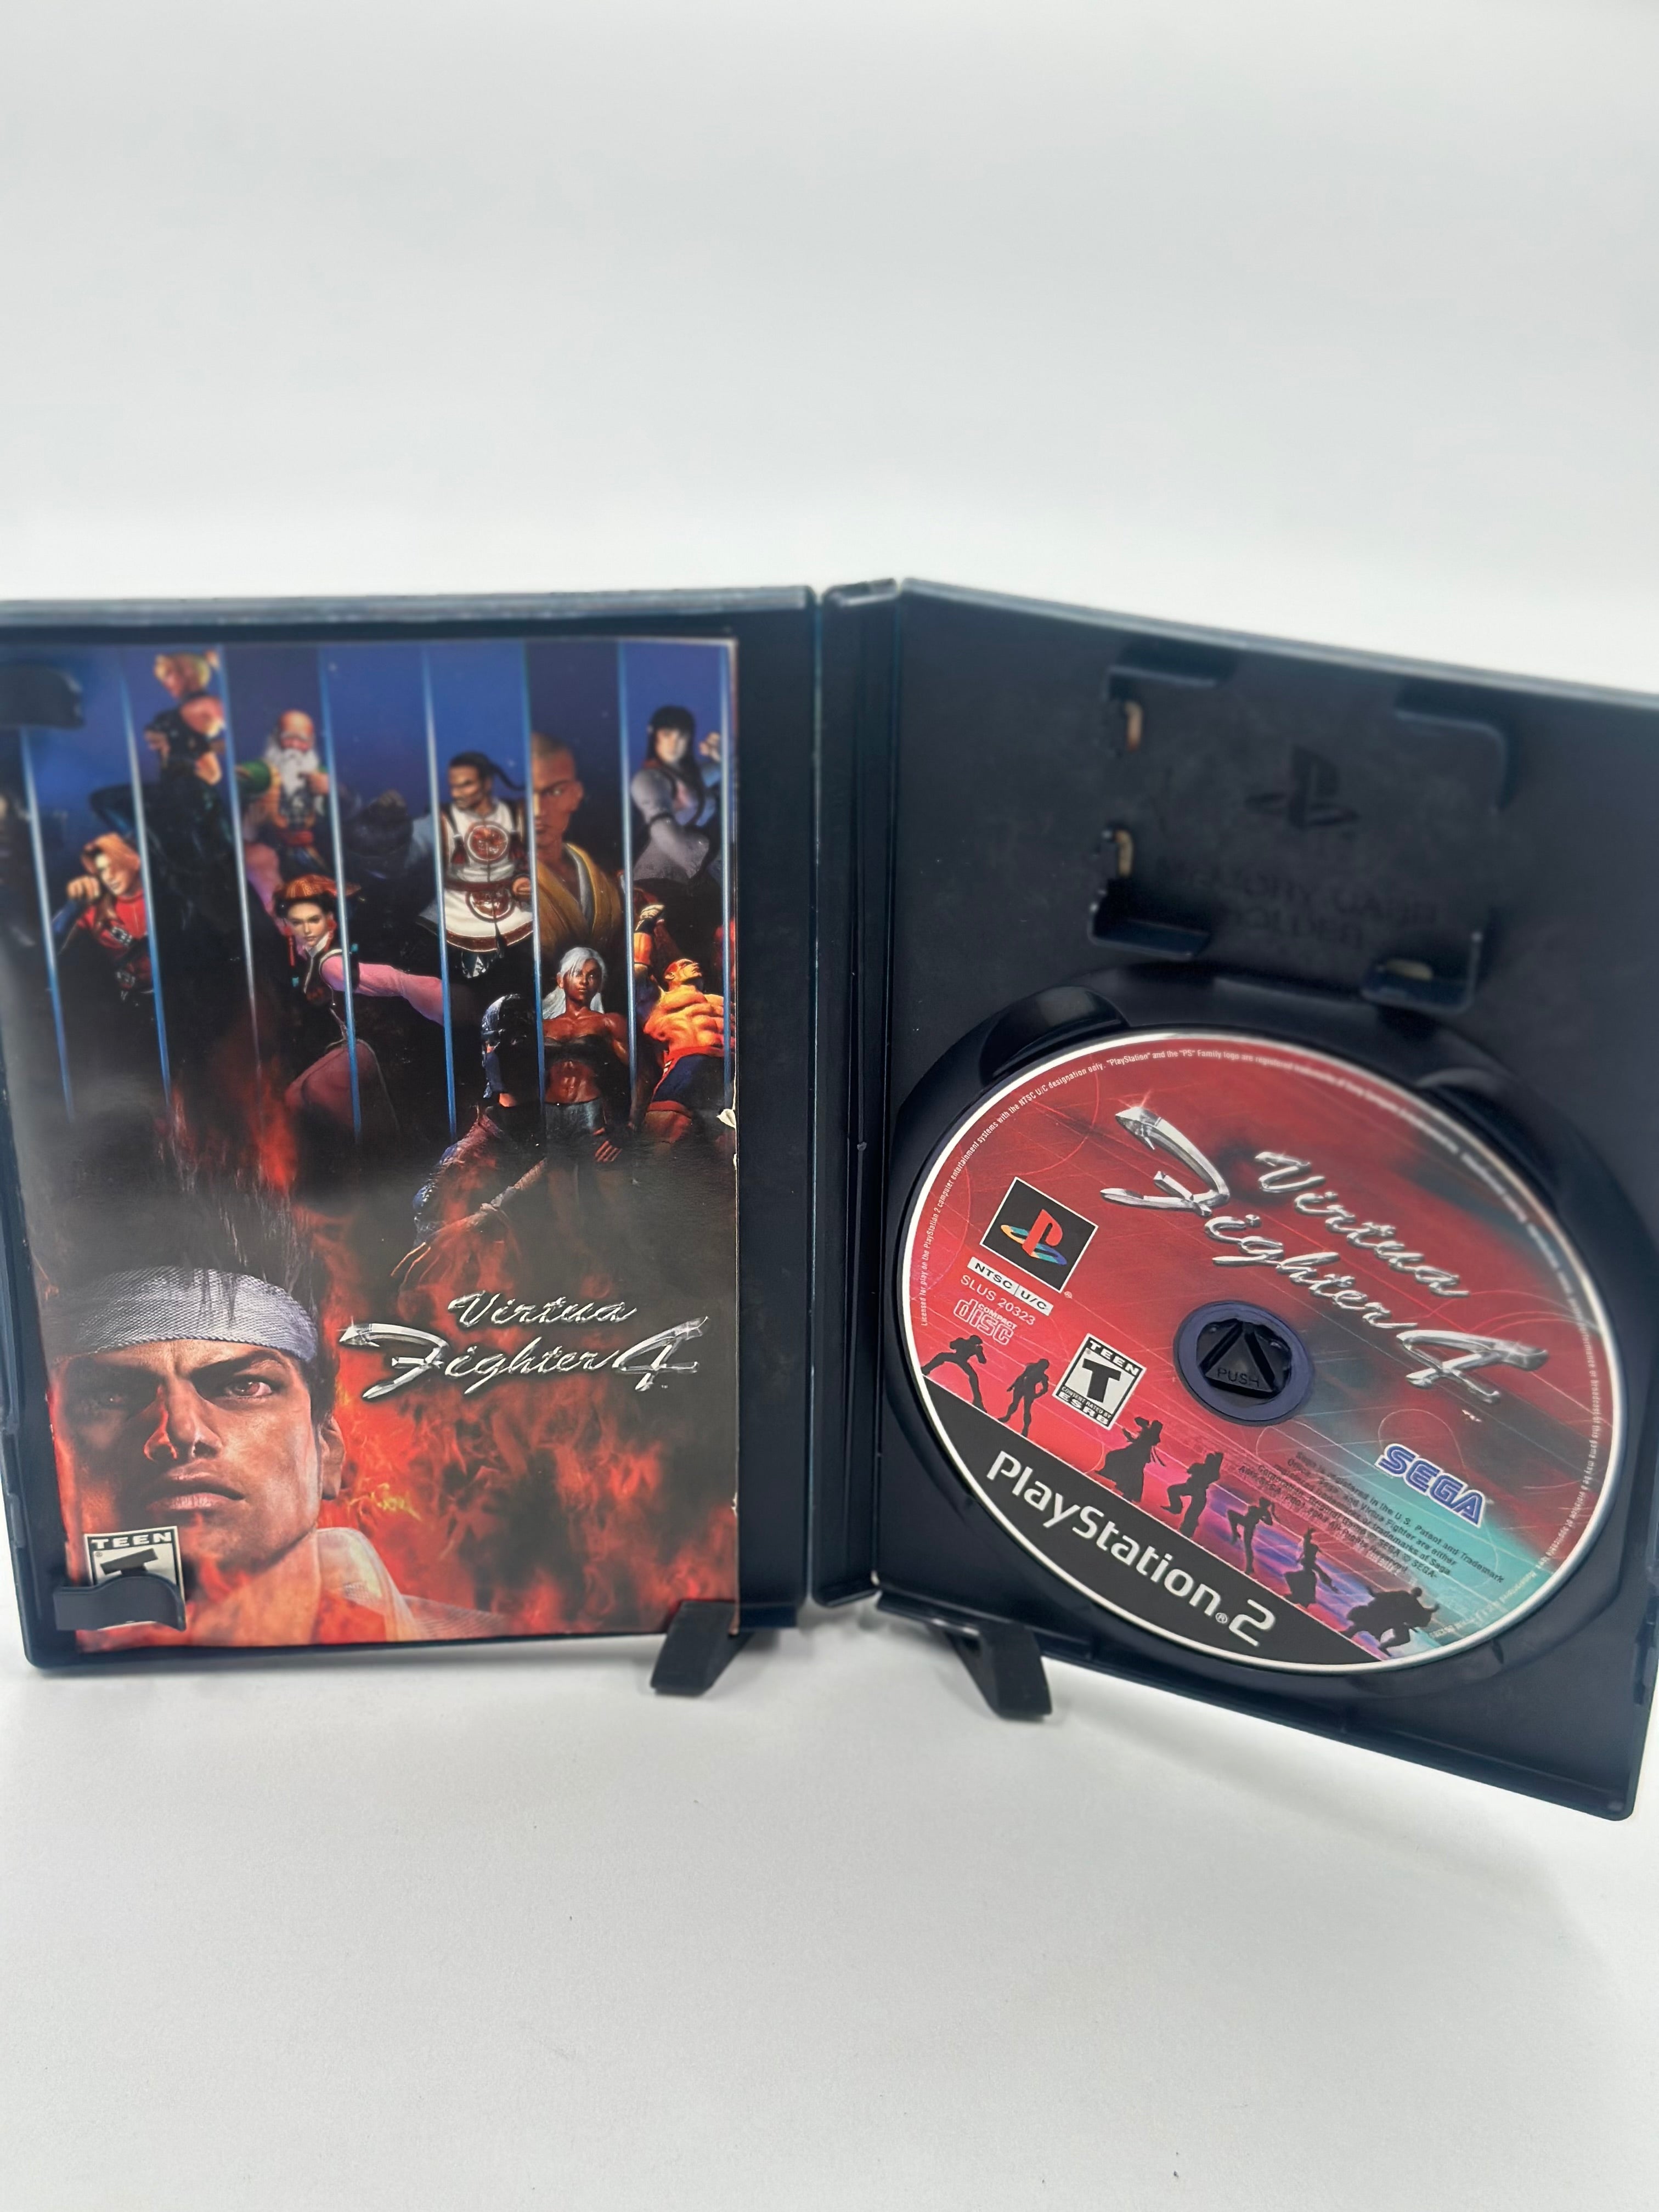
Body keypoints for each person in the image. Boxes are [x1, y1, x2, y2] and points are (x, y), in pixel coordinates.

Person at [45, 1173, 501, 1646]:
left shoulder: (481, 1653)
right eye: (112, 1397)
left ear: (327, 1449)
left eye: (243, 1386)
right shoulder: (65, 1654)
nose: (181, 1430)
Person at [273, 874, 447, 1138]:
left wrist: (435, 999)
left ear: (328, 919)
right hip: (362, 1037)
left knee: (320, 1089)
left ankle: (386, 1148)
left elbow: (395, 981)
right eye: (297, 922)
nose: (305, 930)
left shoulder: (332, 964)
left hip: (392, 1039)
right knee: (294, 1096)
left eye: (313, 920)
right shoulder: (316, 955)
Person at [409, 993, 544, 1240]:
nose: (501, 1053)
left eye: (516, 1040)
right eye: (492, 1043)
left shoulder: (557, 1125)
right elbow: (432, 1236)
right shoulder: (468, 1155)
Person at [414, 749, 533, 976]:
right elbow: (411, 847)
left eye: (466, 785)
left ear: (487, 783)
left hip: (517, 912)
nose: (456, 793)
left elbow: (534, 860)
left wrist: (523, 879)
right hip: (455, 913)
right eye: (453, 786)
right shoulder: (441, 819)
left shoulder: (517, 813)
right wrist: (388, 830)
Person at [524, 731, 628, 978]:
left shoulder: (604, 877)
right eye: (527, 793)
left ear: (576, 794)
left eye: (555, 792)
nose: (538, 810)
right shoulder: (491, 880)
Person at [542, 944, 631, 1163]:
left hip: (592, 1112)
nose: (584, 981)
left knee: (604, 1179)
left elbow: (639, 1074)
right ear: (561, 980)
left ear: (600, 983)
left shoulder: (610, 1022)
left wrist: (629, 1125)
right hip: (551, 1114)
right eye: (577, 974)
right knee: (559, 1181)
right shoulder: (543, 1027)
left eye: (592, 975)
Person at [54, 833, 151, 1005]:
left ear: (135, 861)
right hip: (125, 1003)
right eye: (102, 870)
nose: (109, 876)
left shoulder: (163, 901)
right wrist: (73, 907)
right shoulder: (96, 911)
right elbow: (55, 947)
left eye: (114, 866)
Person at [641, 955, 727, 1143]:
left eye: (694, 962)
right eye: (686, 964)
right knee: (663, 1132)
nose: (695, 964)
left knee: (730, 1139)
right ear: (670, 976)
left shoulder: (721, 1001)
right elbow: (638, 971)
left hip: (729, 1066)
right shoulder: (662, 1000)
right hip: (689, 1063)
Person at [1347, 1583, 1439, 1655]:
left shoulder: (1416, 1605)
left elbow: (1423, 1613)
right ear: (1412, 1591)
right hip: (1383, 1615)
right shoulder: (1402, 1594)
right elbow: (1386, 1596)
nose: (1414, 1594)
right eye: (1415, 1592)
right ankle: (1349, 1633)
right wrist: (1373, 1593)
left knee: (1404, 1638)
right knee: (1365, 1625)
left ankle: (1384, 1646)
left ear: (1418, 1595)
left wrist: (1432, 1610)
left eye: (1417, 1593)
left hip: (1396, 1622)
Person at [1097, 1416, 1162, 1505]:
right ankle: (1128, 1490)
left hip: (1137, 1453)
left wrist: (1145, 1424)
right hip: (1138, 1453)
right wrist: (1129, 1436)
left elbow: (1138, 1421)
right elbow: (1138, 1440)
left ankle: (1128, 1490)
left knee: (1117, 1459)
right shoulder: (1150, 1434)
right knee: (1132, 1470)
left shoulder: (1148, 1433)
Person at [1166, 1448, 1223, 1540]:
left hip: (1196, 1490)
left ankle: (1186, 1529)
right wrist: (1218, 1461)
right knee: (1173, 1491)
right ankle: (1177, 1509)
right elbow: (1215, 1472)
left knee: (1191, 1513)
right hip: (1194, 1489)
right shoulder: (1212, 1473)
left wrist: (1218, 1461)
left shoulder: (1201, 1468)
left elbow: (1190, 1471)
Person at [920, 1333, 987, 1409]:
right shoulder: (964, 1342)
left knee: (973, 1376)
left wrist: (979, 1352)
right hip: (958, 1358)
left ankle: (978, 1400)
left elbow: (982, 1361)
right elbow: (952, 1346)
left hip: (961, 1360)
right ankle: (926, 1369)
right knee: (941, 1356)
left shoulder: (973, 1348)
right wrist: (959, 1344)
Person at [1283, 1529, 1338, 1611]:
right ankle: (1301, 1597)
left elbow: (1321, 1574)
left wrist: (1331, 1586)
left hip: (1307, 1577)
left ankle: (1302, 1598)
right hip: (1306, 1577)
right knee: (1292, 1578)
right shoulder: (1308, 1559)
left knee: (1295, 1580)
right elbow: (1306, 1545)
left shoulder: (1310, 1562)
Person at [1227, 1496, 1276, 1579]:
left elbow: (1270, 1523)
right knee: (1231, 1514)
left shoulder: (1264, 1512)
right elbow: (1268, 1522)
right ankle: (1235, 1533)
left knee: (1248, 1546)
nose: (1260, 1503)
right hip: (1246, 1522)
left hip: (1249, 1526)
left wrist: (1262, 1518)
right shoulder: (1258, 1510)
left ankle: (1249, 1567)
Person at [1001, 1356, 1051, 1437]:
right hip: (1021, 1387)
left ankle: (1025, 1428)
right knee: (1015, 1404)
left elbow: (1045, 1389)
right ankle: (1007, 1417)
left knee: (1027, 1410)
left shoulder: (1043, 1377)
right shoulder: (1031, 1368)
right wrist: (1013, 1386)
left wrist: (1037, 1395)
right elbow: (1021, 1376)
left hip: (1029, 1391)